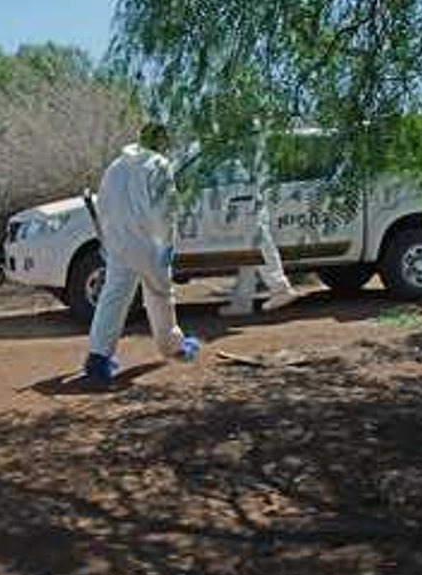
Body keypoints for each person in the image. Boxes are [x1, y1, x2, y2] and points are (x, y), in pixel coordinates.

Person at [83, 122, 201, 385]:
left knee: (112, 300)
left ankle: (98, 357)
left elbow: (104, 206)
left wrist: (111, 241)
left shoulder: (115, 167)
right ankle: (173, 346)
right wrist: (168, 245)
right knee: (160, 294)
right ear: (161, 141)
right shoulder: (158, 164)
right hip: (148, 243)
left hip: (119, 244)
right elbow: (165, 211)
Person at [218, 123, 300, 317]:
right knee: (249, 254)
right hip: (250, 203)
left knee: (261, 247)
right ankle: (242, 302)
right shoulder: (252, 150)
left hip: (248, 204)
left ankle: (280, 288)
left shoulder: (251, 151)